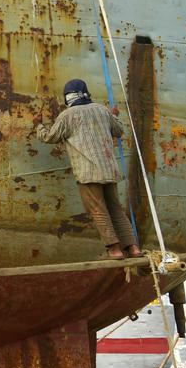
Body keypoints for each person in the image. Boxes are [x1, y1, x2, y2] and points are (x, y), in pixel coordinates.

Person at [37, 79, 142, 260]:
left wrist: (39, 125)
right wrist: (113, 115)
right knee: (116, 209)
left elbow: (49, 137)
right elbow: (118, 131)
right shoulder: (102, 110)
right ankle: (133, 248)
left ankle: (115, 249)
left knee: (98, 211)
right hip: (109, 170)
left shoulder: (66, 116)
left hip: (87, 173)